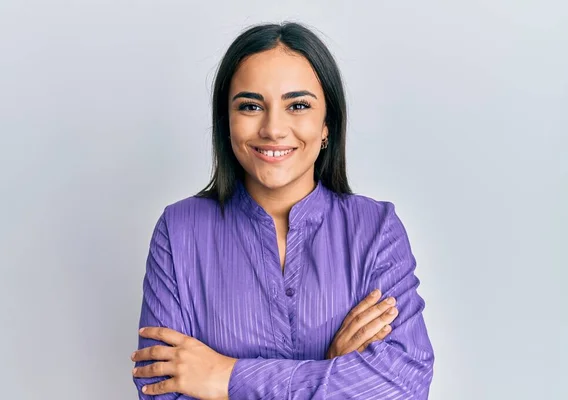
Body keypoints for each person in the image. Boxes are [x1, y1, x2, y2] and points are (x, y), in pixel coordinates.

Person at [130, 22, 435, 399]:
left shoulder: (375, 230)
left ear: (327, 125)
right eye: (251, 106)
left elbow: (403, 384)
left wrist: (227, 378)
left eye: (298, 105)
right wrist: (330, 372)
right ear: (226, 123)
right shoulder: (178, 232)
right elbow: (160, 391)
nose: (273, 128)